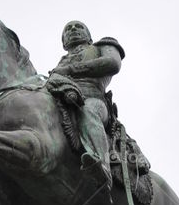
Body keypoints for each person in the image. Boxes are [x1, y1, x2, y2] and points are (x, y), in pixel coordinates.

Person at [48, 21, 125, 190]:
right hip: (63, 99)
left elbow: (113, 63)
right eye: (68, 29)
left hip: (93, 100)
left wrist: (70, 70)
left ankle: (102, 165)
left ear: (89, 37)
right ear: (64, 43)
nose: (73, 29)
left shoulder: (102, 46)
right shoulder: (61, 62)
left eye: (78, 27)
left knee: (88, 111)